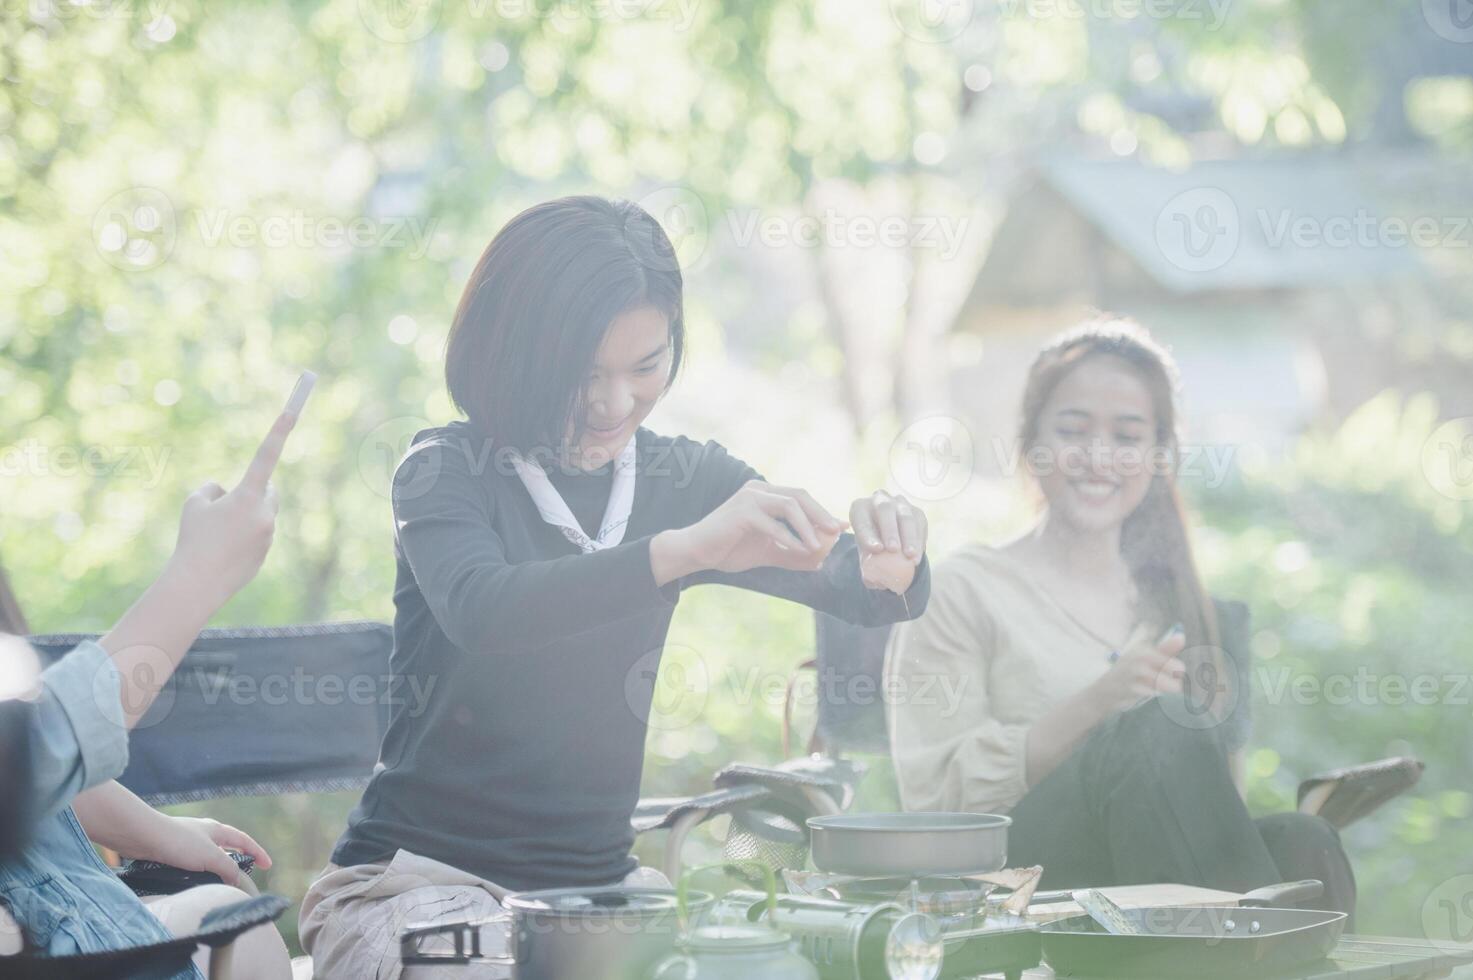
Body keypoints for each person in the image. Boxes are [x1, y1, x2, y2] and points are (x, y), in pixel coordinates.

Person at [300, 195, 933, 979]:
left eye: (645, 367)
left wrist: (888, 563)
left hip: (595, 894)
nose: (612, 405)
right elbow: (486, 608)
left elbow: (851, 587)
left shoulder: (680, 477)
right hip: (419, 885)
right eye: (582, 375)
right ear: (511, 352)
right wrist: (679, 551)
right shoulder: (445, 471)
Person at [885, 318, 1355, 918]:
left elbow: (1212, 824)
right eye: (1074, 429)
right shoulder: (961, 590)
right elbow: (932, 812)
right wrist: (1098, 704)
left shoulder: (1191, 612)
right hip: (1013, 887)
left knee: (1302, 840)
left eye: (1127, 436)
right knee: (1152, 726)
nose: (1099, 457)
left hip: (1153, 872)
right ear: (1031, 444)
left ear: (1159, 457)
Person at [0, 407, 302, 977]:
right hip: (48, 940)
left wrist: (160, 834)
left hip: (85, 907)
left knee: (239, 922)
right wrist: (198, 575)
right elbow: (31, 748)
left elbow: (25, 759)